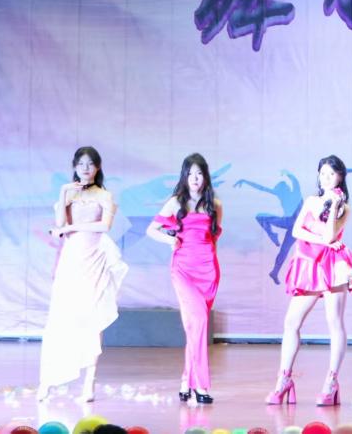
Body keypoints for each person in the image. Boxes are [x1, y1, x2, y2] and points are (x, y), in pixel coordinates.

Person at [265, 155, 352, 406]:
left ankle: (331, 383)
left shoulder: (344, 208)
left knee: (334, 322)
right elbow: (297, 230)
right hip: (308, 262)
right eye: (323, 174)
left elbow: (332, 235)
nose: (326, 178)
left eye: (332, 174)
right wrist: (323, 241)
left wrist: (334, 205)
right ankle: (283, 380)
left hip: (333, 264)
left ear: (340, 177)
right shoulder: (311, 201)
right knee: (291, 322)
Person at [37, 146, 128, 402]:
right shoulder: (68, 194)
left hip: (95, 260)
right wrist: (63, 192)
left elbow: (104, 226)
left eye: (90, 164)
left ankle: (89, 382)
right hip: (71, 261)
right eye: (81, 164)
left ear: (98, 167)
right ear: (75, 167)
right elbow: (59, 225)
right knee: (61, 317)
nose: (85, 168)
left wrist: (71, 227)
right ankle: (48, 380)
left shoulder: (104, 195)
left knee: (92, 319)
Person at [146, 153, 222, 405]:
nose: (195, 178)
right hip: (183, 270)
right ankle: (201, 384)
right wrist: (171, 240)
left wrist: (210, 265)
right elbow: (151, 230)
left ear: (205, 176)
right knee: (198, 322)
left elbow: (213, 239)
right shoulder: (175, 203)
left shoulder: (215, 205)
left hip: (208, 271)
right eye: (190, 174)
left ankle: (185, 380)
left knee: (194, 327)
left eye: (199, 173)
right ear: (184, 177)